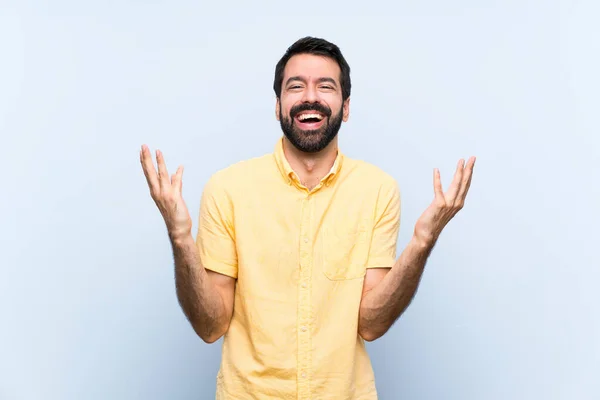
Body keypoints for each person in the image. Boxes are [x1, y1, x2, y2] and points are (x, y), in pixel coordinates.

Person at [140, 36, 475, 400]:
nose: (309, 97)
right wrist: (180, 238)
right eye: (295, 86)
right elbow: (210, 325)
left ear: (345, 107)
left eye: (325, 86)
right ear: (278, 105)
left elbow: (372, 323)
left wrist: (423, 242)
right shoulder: (228, 188)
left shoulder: (377, 189)